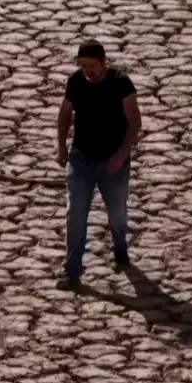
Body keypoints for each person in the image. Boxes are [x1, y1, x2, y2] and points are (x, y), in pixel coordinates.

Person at [55, 39, 142, 288]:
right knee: (76, 212)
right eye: (83, 66)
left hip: (113, 161)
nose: (87, 72)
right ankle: (72, 269)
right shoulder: (76, 82)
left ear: (103, 62)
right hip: (81, 158)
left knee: (117, 213)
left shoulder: (121, 82)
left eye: (91, 66)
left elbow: (135, 122)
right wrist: (61, 146)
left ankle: (120, 249)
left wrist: (120, 155)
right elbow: (64, 114)